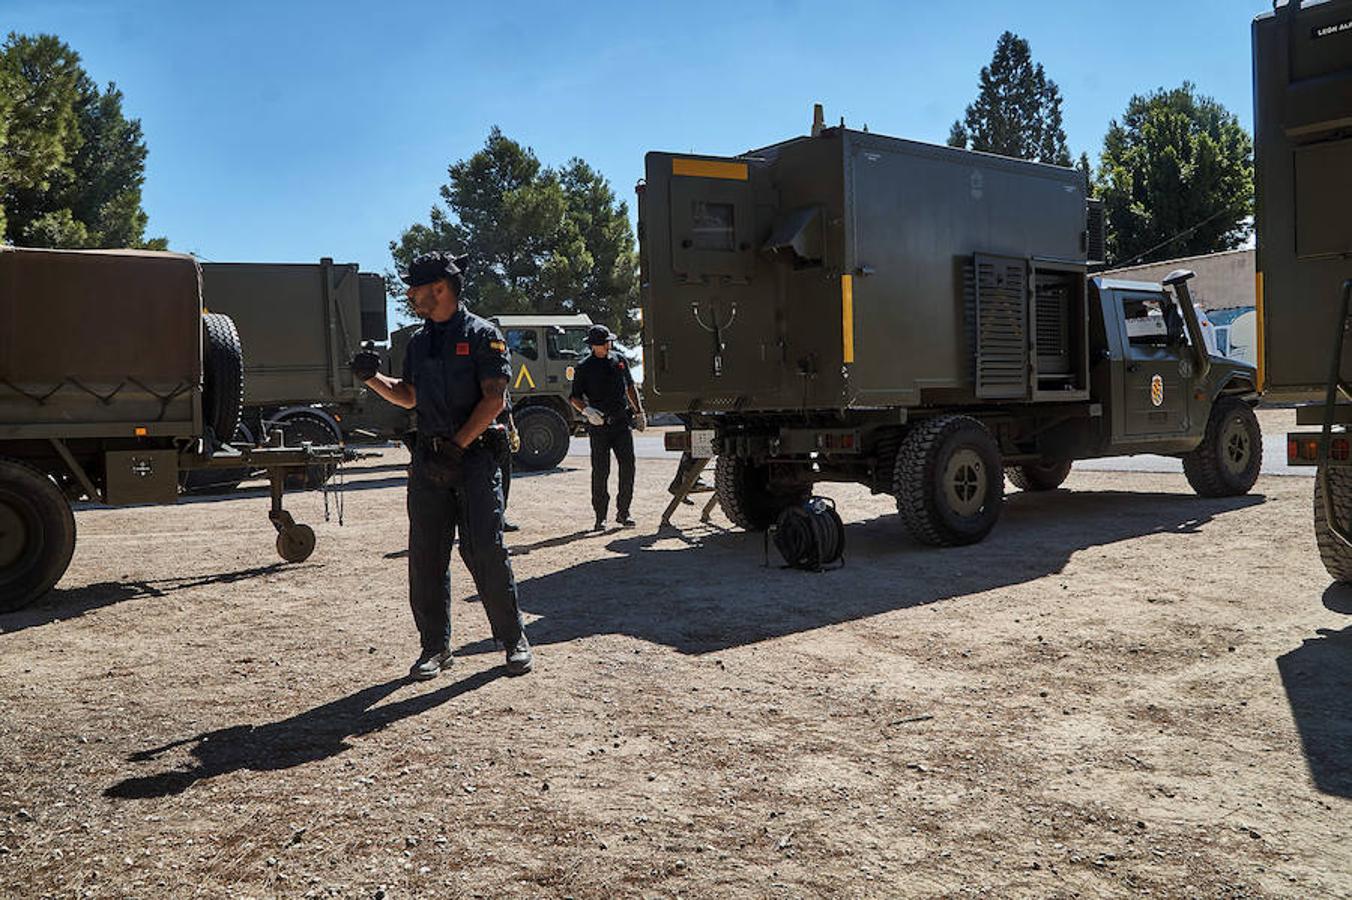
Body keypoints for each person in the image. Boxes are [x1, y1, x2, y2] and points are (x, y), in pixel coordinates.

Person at [349, 251, 531, 679]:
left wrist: (457, 445)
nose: (409, 294)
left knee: (485, 549)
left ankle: (512, 640)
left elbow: (494, 400)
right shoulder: (419, 340)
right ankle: (435, 648)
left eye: (415, 287)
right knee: (426, 556)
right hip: (430, 460)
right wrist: (371, 379)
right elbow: (409, 394)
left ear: (440, 288)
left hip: (476, 458)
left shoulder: (484, 335)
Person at [570, 324, 646, 530]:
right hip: (599, 426)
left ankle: (624, 512)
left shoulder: (619, 360)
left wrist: (639, 412)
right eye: (605, 342)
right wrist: (587, 412)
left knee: (628, 467)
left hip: (621, 423)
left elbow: (630, 387)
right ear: (595, 345)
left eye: (609, 341)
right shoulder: (584, 367)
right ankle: (600, 517)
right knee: (601, 471)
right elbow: (574, 398)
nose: (609, 344)